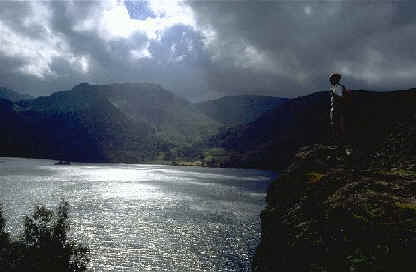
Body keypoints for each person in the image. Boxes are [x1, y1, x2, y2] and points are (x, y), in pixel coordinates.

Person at [329, 73, 348, 146]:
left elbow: (341, 98)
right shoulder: (334, 87)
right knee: (334, 126)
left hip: (338, 110)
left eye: (331, 79)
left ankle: (340, 144)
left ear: (336, 79)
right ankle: (337, 143)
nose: (330, 81)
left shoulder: (339, 87)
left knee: (338, 126)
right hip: (334, 109)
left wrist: (333, 95)